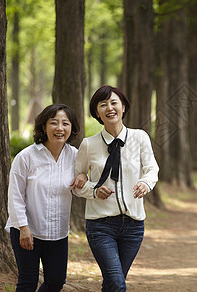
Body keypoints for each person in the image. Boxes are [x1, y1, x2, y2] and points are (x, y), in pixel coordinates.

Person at [71, 85, 159, 292]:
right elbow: (76, 185)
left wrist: (145, 183)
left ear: (123, 107)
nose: (109, 108)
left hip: (134, 225)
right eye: (103, 105)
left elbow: (152, 169)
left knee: (113, 283)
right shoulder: (88, 145)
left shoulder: (139, 137)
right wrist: (94, 190)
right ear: (97, 113)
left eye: (113, 102)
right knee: (117, 282)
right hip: (100, 226)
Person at [5, 104, 81, 292]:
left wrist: (83, 177)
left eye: (65, 123)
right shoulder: (26, 157)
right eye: (53, 123)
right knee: (28, 282)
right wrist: (23, 227)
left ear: (71, 128)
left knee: (56, 282)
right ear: (44, 127)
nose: (60, 128)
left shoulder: (75, 156)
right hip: (27, 229)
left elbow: (80, 187)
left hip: (58, 232)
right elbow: (15, 195)